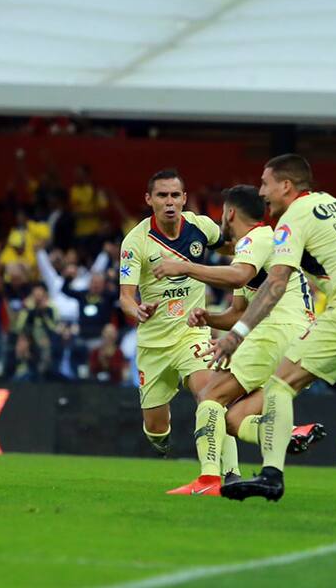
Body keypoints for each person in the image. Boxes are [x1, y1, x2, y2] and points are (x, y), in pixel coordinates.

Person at [214, 155, 336, 502]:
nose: (262, 192)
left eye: (265, 183)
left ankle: (271, 476)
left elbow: (274, 285)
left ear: (286, 186)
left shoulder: (294, 217)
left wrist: (236, 335)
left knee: (278, 385)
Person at [157, 185, 324, 496]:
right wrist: (208, 317)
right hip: (300, 338)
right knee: (234, 418)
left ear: (230, 213)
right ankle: (287, 435)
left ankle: (208, 481)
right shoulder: (260, 245)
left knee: (209, 394)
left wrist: (185, 267)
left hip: (276, 330)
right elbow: (238, 312)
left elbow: (239, 276)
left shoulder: (256, 238)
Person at [118, 169, 223, 456]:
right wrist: (137, 310)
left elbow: (231, 246)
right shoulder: (136, 241)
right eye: (162, 195)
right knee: (156, 426)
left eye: (175, 195)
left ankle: (219, 469)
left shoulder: (201, 226)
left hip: (191, 332)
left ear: (184, 198)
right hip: (153, 342)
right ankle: (160, 439)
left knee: (209, 395)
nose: (169, 202)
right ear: (149, 199)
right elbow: (125, 297)